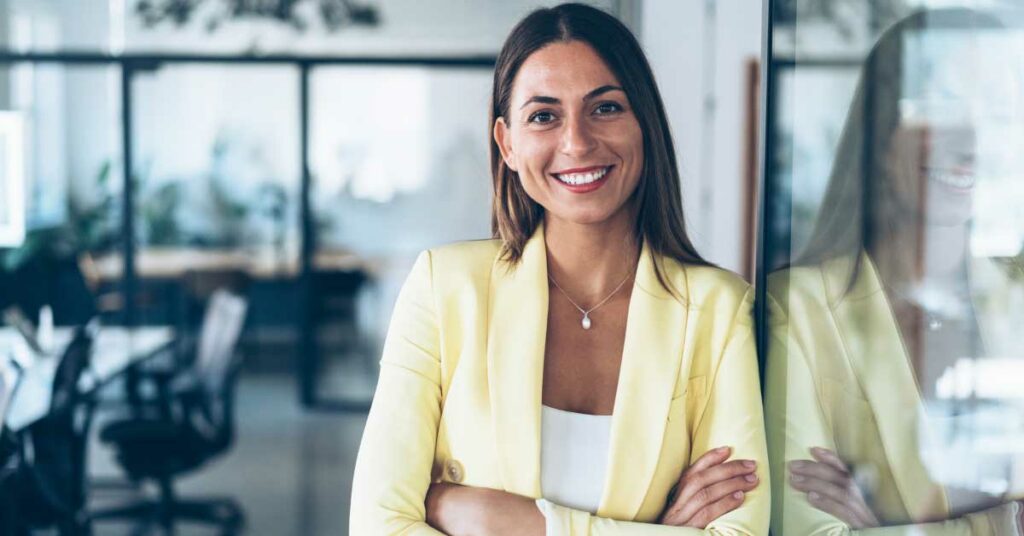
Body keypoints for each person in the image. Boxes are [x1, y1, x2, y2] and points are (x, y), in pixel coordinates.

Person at [351, 4, 768, 534]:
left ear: (645, 123)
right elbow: (377, 524)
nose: (576, 142)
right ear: (507, 143)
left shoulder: (718, 308)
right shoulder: (444, 288)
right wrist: (661, 529)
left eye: (606, 108)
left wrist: (519, 523)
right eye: (544, 116)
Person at [765, 7, 1024, 535]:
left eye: (995, 110)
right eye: (944, 104)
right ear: (881, 134)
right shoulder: (799, 309)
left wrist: (889, 528)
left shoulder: (1014, 301)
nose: (968, 137)